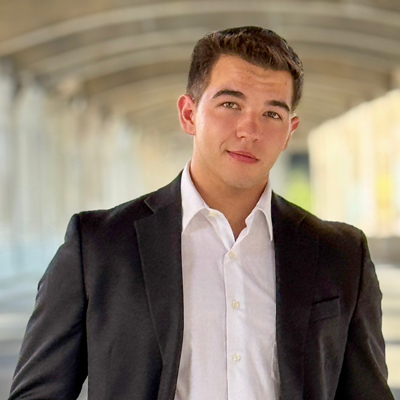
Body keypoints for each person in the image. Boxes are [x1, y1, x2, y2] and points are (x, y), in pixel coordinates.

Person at [9, 26, 394, 400]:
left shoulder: (342, 255)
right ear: (189, 114)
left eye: (272, 114)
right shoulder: (98, 246)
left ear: (290, 131)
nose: (249, 130)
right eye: (230, 105)